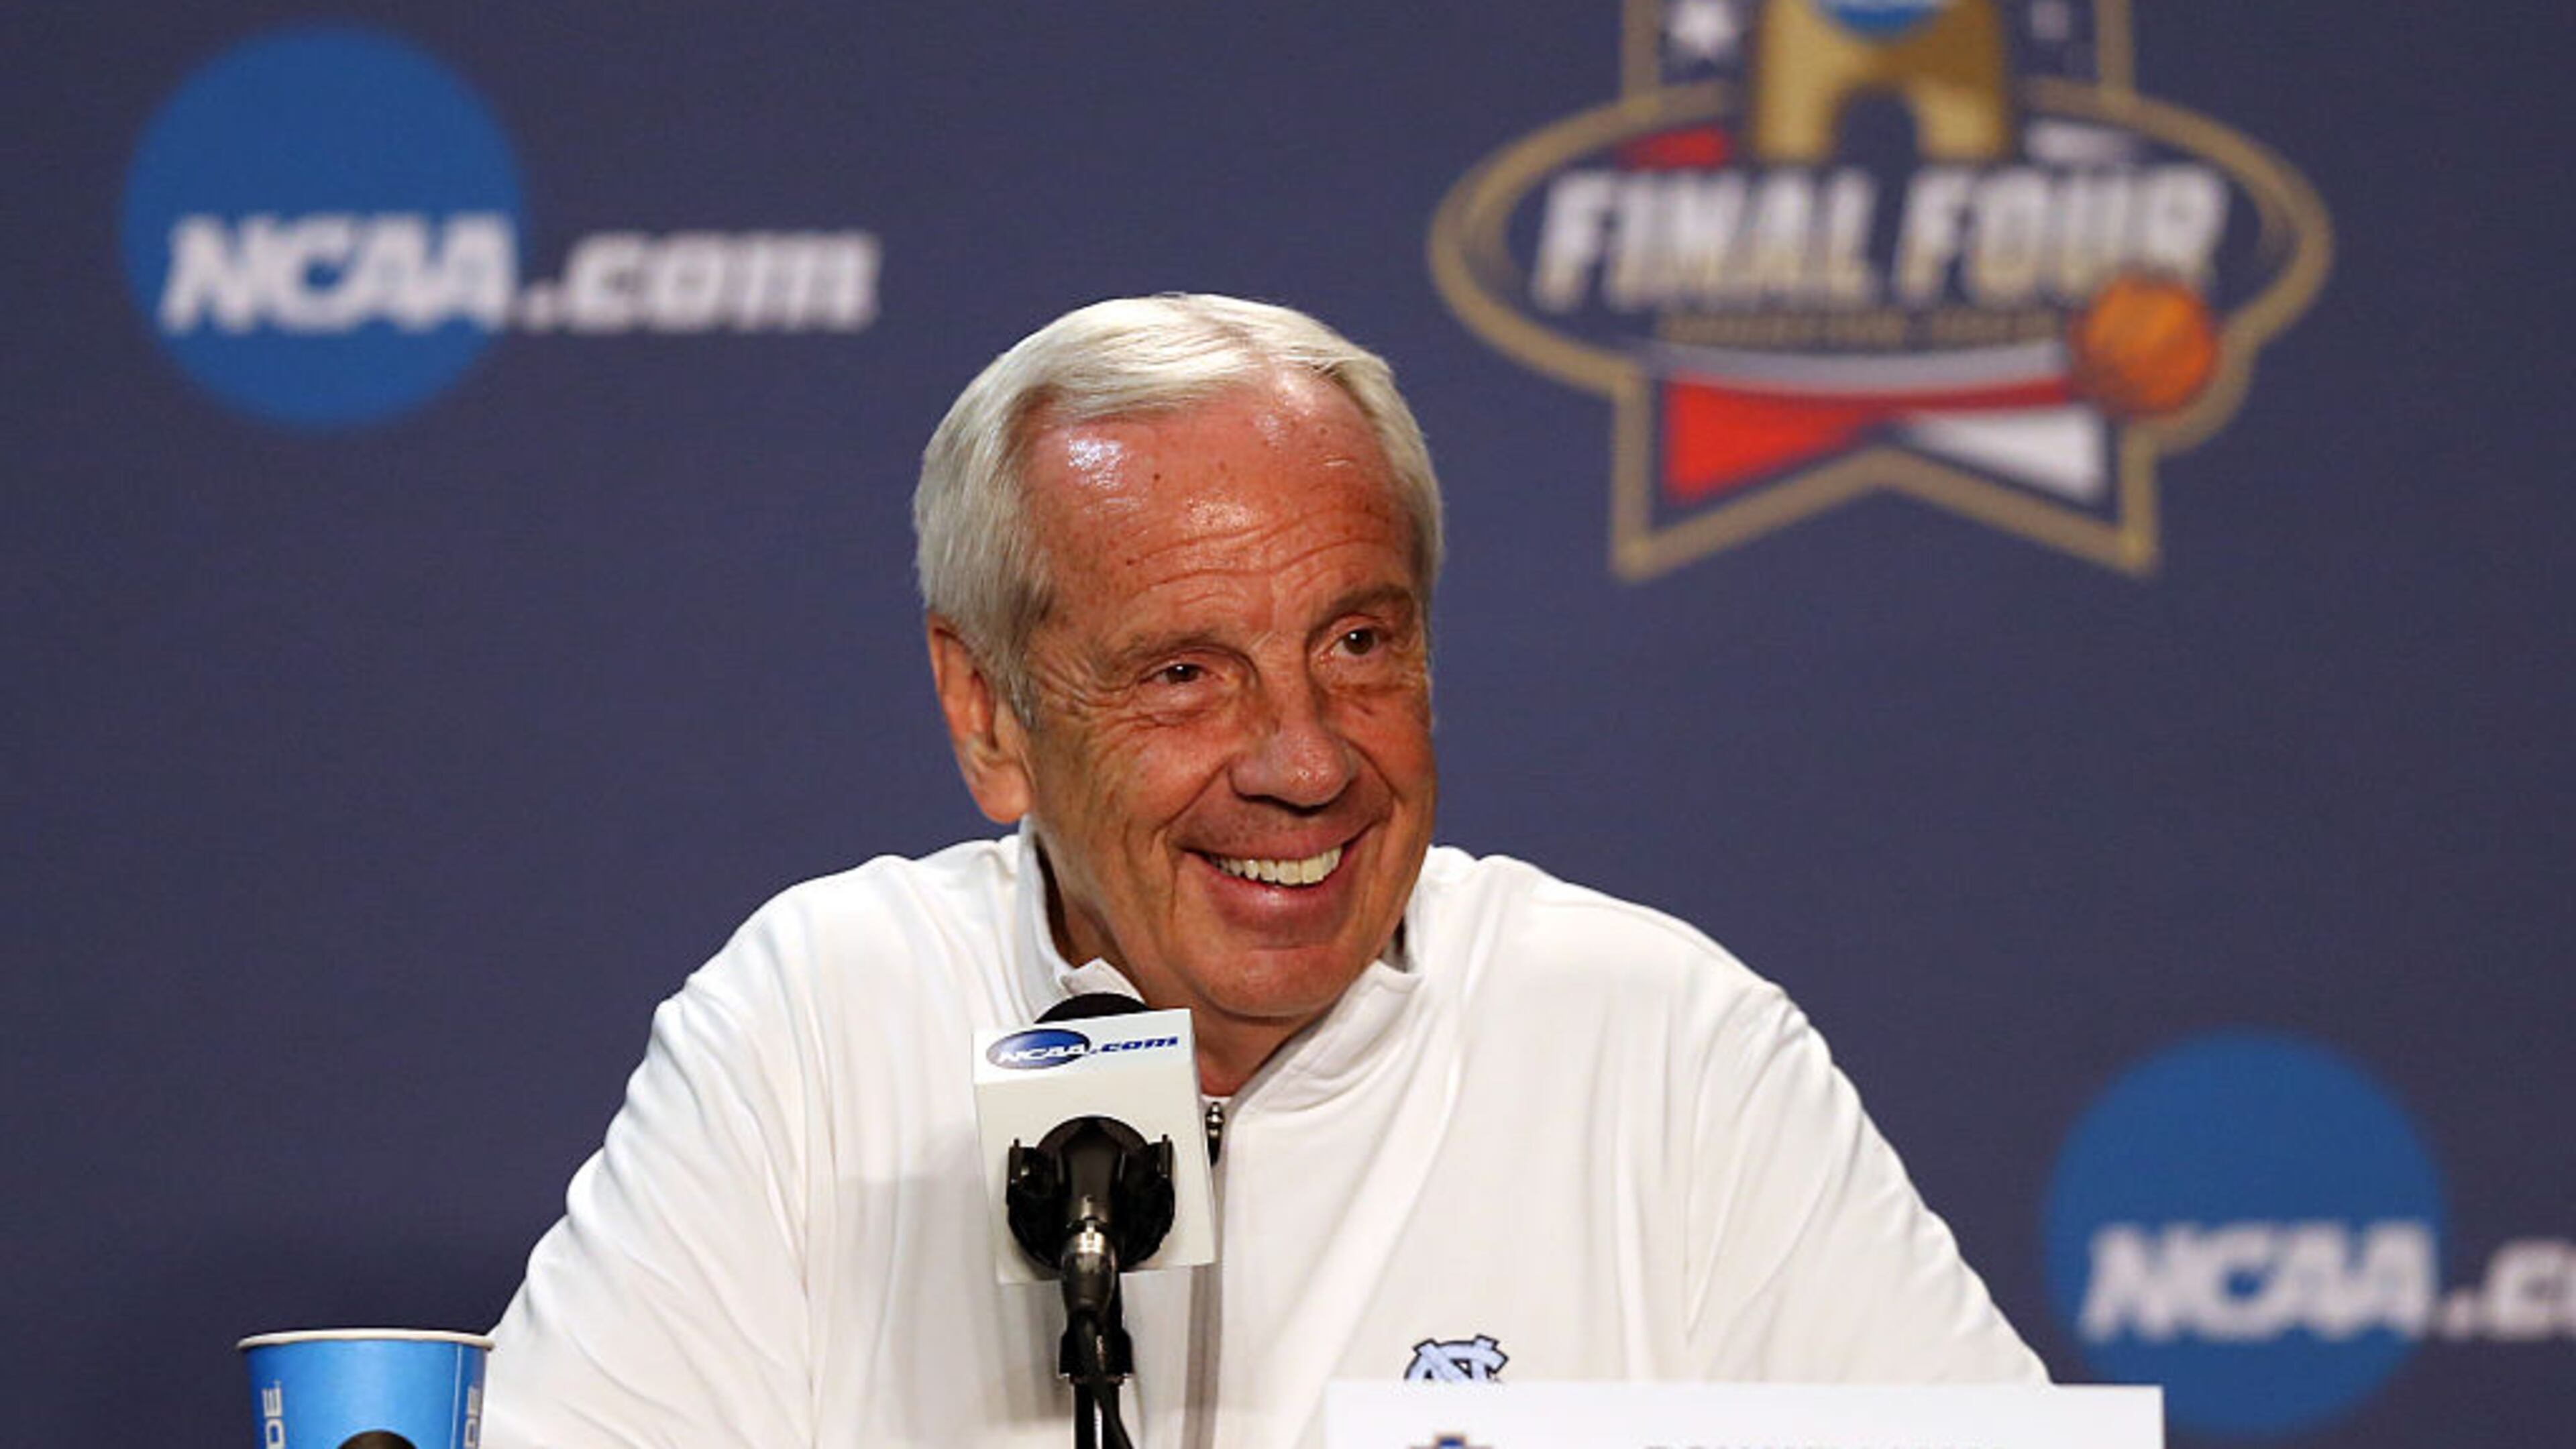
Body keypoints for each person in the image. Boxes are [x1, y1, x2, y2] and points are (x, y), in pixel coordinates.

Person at [485, 294, 2043, 1448]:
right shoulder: (817, 1026)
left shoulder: (1660, 1048)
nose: (1304, 762)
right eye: (1183, 672)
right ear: (990, 715)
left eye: (1359, 644)